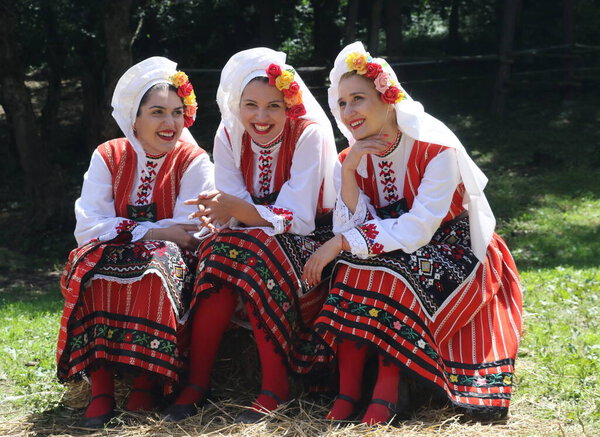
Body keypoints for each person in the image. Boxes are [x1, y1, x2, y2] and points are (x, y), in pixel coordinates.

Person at [302, 42, 523, 425]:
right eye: (342, 103)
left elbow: (419, 228)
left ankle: (387, 392)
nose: (349, 111)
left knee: (389, 271)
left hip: (456, 250)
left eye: (359, 98)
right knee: (353, 268)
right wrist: (352, 170)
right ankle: (349, 390)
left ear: (388, 98)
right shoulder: (348, 159)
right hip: (396, 250)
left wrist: (341, 243)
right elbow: (350, 230)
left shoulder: (437, 150)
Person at [164, 47, 338, 423]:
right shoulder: (229, 132)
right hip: (249, 235)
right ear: (236, 103)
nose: (261, 117)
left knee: (254, 251)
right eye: (251, 105)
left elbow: (301, 215)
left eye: (273, 106)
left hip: (309, 235)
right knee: (216, 254)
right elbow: (230, 204)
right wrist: (234, 213)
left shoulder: (309, 134)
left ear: (289, 106)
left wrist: (236, 211)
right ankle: (197, 381)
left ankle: (275, 384)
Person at [56, 57, 214, 427]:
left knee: (156, 266)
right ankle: (101, 389)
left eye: (177, 112)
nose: (170, 123)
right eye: (157, 112)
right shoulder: (107, 155)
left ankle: (146, 383)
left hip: (173, 259)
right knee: (89, 265)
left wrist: (132, 231)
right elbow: (88, 227)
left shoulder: (194, 161)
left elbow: (188, 233)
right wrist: (154, 230)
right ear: (135, 118)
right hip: (122, 249)